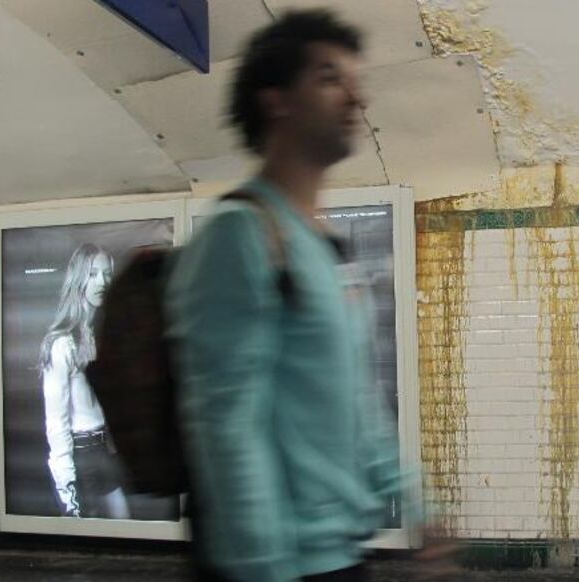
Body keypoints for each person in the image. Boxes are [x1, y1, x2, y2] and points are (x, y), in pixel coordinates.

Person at [166, 10, 406, 581]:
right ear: (277, 100)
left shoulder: (322, 241)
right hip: (279, 564)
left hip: (342, 552)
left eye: (355, 79)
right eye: (330, 78)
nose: (356, 97)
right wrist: (262, 567)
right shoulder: (240, 235)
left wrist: (412, 499)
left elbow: (357, 395)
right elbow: (226, 423)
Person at [39, 243, 131, 518]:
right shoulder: (61, 343)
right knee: (93, 537)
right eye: (92, 274)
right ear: (78, 279)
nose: (101, 281)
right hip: (80, 453)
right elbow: (55, 420)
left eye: (106, 274)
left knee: (123, 528)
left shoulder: (99, 335)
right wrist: (65, 482)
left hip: (104, 447)